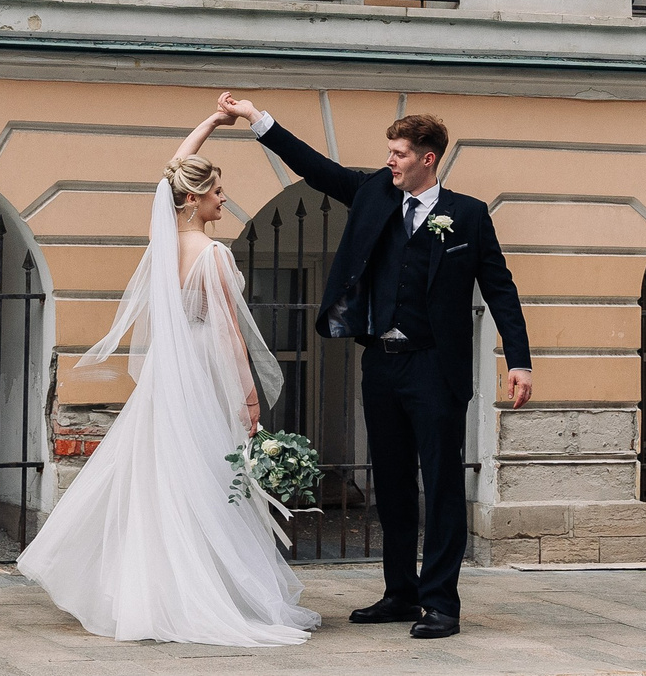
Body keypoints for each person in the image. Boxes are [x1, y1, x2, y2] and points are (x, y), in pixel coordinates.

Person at [218, 93, 530, 641]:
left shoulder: (468, 216)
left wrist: (519, 361)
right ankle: (400, 593)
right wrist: (255, 117)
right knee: (391, 482)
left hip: (435, 367)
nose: (390, 161)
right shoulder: (374, 193)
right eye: (389, 152)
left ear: (428, 158)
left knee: (441, 484)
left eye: (399, 153)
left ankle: (441, 603)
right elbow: (316, 168)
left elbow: (500, 289)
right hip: (381, 365)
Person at [16, 106, 318, 647]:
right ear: (194, 199)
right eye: (217, 191)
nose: (224, 198)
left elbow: (173, 169)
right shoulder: (213, 255)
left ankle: (150, 589)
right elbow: (229, 332)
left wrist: (211, 122)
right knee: (202, 473)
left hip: (167, 370)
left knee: (160, 472)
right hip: (201, 368)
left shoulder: (163, 242)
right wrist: (249, 398)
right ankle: (197, 592)